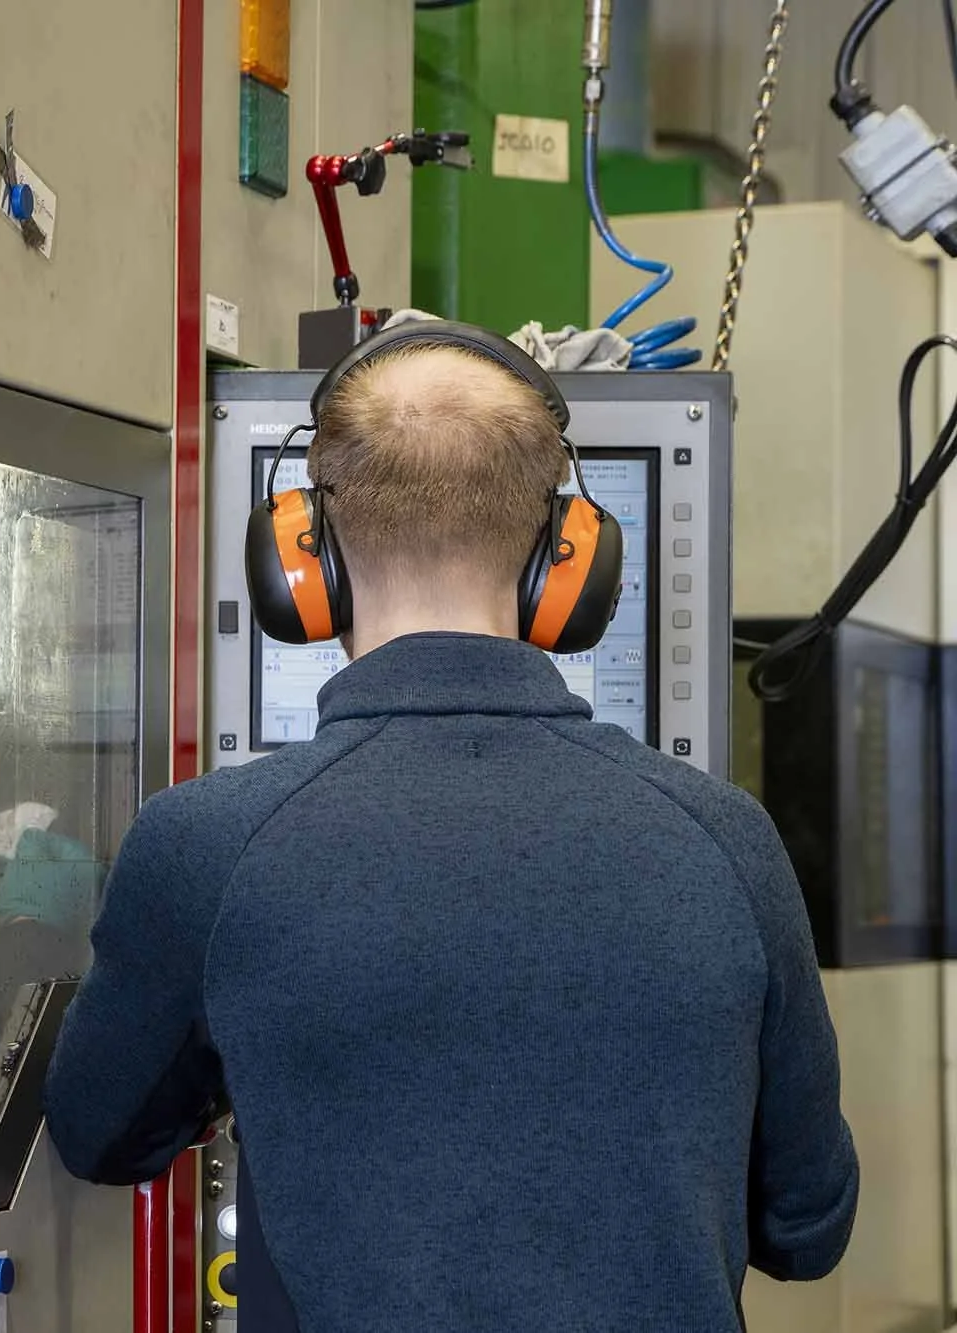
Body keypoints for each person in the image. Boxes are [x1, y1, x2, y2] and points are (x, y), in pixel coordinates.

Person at [42, 324, 858, 1331]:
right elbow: (807, 1227)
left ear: (303, 553)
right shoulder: (727, 840)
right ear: (565, 560)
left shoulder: (203, 847)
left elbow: (97, 1135)